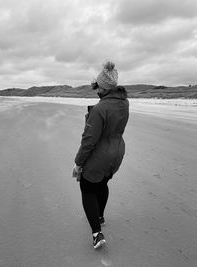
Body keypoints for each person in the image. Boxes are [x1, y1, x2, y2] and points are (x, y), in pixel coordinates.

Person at [73, 61, 129, 249]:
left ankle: (97, 234)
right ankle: (100, 216)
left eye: (98, 87)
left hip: (100, 155)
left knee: (87, 188)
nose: (96, 90)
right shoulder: (124, 102)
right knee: (103, 183)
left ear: (103, 88)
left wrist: (78, 163)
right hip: (117, 152)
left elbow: (89, 141)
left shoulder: (99, 110)